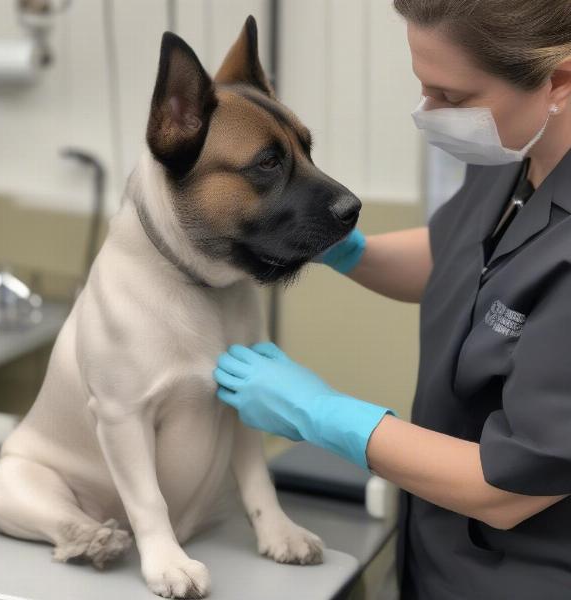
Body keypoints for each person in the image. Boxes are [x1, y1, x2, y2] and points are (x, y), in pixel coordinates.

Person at [213, 1, 571, 598]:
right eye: (423, 88)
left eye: (452, 98)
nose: (429, 113)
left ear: (556, 80)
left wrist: (323, 414)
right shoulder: (514, 148)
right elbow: (459, 257)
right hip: (435, 555)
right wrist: (342, 249)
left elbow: (508, 488)